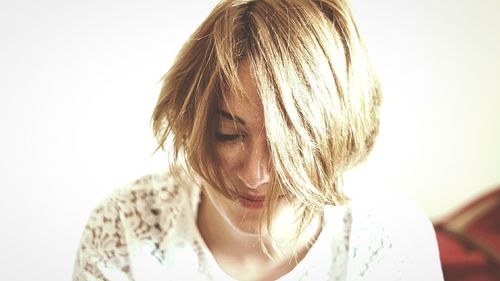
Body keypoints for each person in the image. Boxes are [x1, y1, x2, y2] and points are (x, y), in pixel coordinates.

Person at [73, 0, 444, 280]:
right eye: (228, 134)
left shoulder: (390, 240)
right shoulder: (125, 225)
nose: (255, 174)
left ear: (335, 138)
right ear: (193, 121)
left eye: (292, 146)